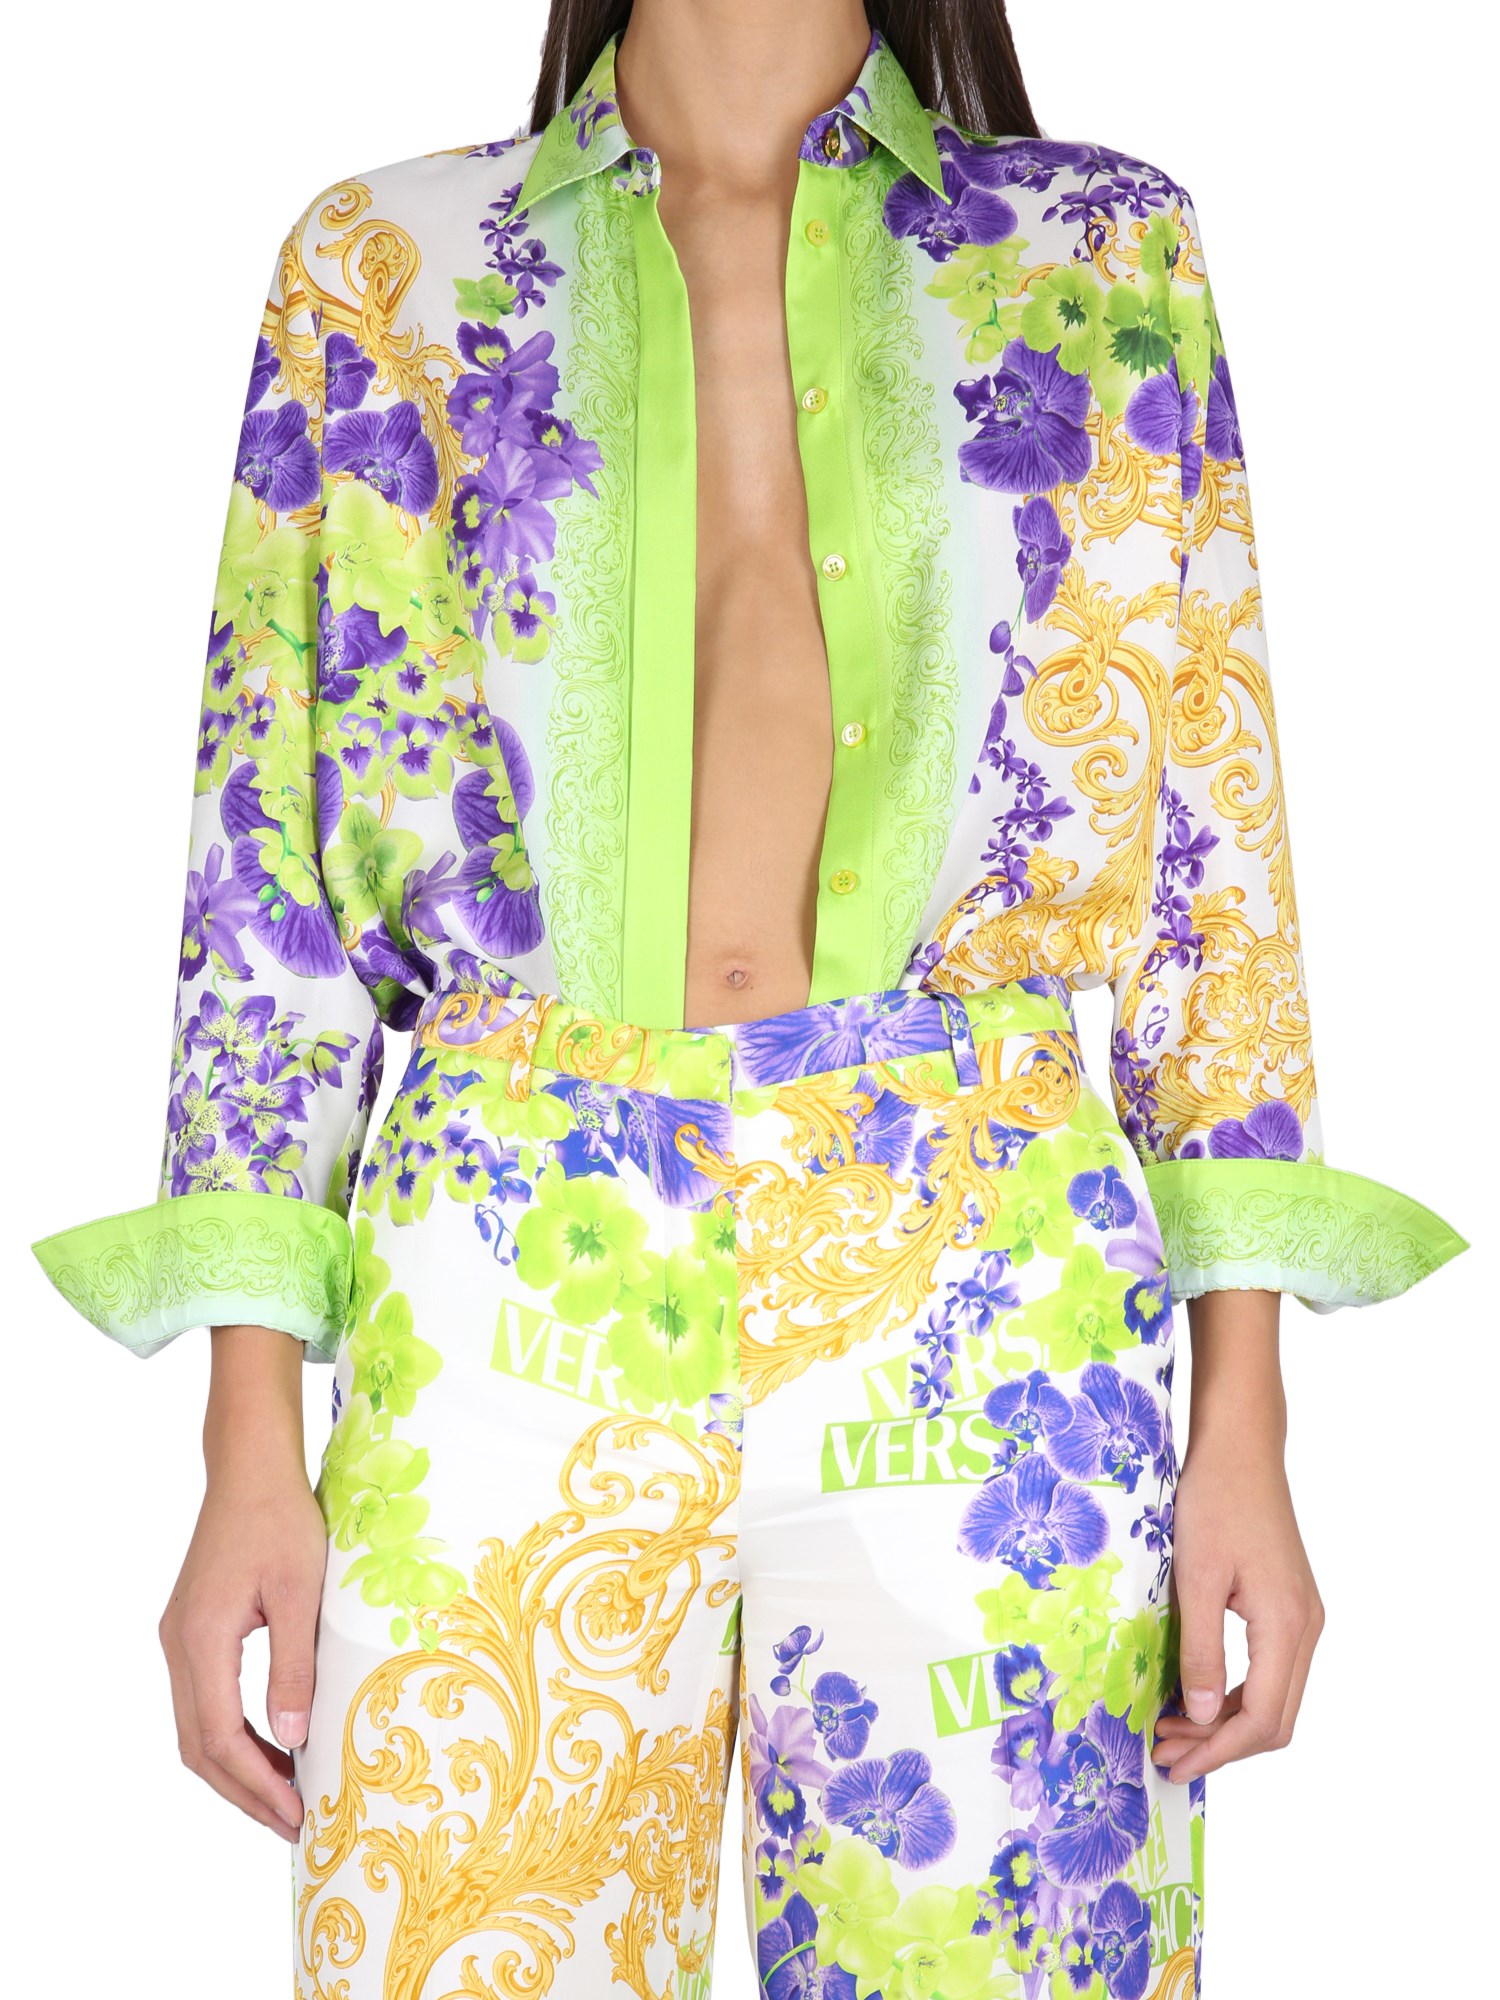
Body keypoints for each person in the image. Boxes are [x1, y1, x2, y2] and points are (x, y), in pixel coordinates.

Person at [30, 1, 1467, 1994]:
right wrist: (243, 1449)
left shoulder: (1100, 252)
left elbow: (1210, 847)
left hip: (986, 1280)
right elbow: (263, 875)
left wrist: (1250, 1425)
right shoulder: (384, 266)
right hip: (502, 1272)